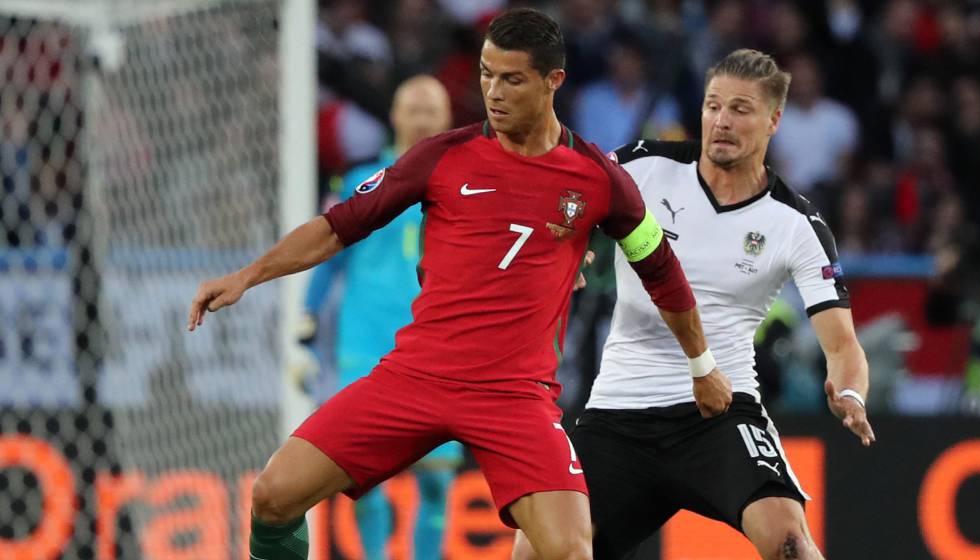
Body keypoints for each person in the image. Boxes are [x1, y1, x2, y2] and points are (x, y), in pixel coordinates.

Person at [188, 9, 732, 560]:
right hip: (416, 376)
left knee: (570, 551)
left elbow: (660, 268)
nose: (493, 92)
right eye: (486, 74)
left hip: (515, 396)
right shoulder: (442, 156)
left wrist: (702, 366)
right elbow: (337, 228)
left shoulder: (598, 178)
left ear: (553, 81)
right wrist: (248, 276)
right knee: (272, 497)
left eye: (512, 79)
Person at [513, 49, 876, 560]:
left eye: (741, 109)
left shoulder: (796, 223)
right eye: (713, 106)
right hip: (620, 410)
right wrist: (564, 244)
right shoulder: (642, 166)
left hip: (721, 410)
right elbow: (563, 195)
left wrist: (851, 394)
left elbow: (842, 345)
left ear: (774, 120)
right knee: (535, 552)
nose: (721, 121)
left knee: (789, 542)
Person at [300, 75, 460, 560]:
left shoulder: (467, 184)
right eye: (413, 108)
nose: (421, 118)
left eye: (430, 109)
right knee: (361, 476)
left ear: (447, 118)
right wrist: (307, 317)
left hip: (438, 349)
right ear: (393, 116)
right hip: (366, 344)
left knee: (436, 481)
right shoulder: (361, 181)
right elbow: (329, 251)